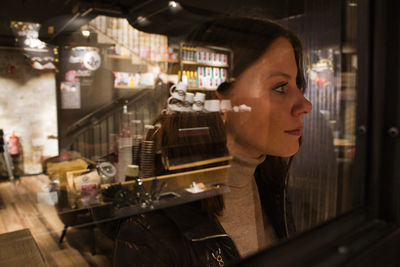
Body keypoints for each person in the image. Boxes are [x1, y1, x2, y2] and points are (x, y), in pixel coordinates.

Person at [113, 16, 312, 266]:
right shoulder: (151, 234)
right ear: (219, 99)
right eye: (281, 87)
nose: (306, 105)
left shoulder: (274, 190)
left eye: (298, 85)